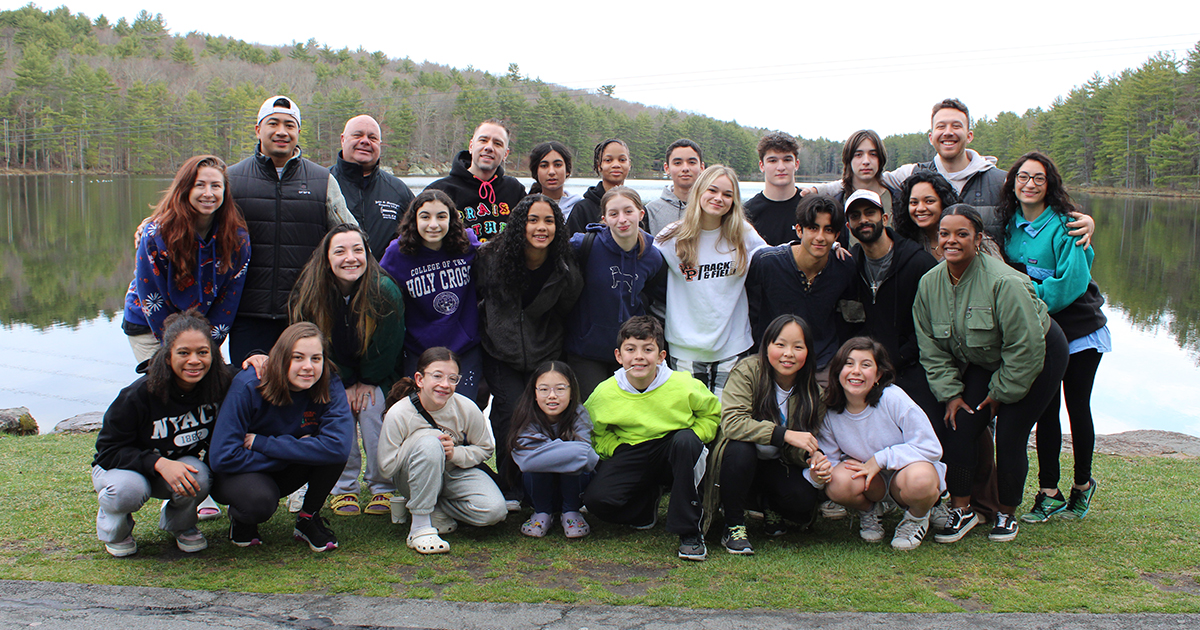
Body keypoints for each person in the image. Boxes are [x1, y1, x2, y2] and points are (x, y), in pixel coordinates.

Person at [913, 205, 1068, 544]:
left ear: (979, 239)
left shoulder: (1005, 282)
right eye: (944, 234)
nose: (951, 241)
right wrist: (951, 393)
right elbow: (931, 348)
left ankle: (1006, 513)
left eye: (962, 234)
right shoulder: (929, 284)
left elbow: (1026, 347)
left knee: (1010, 433)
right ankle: (962, 509)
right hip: (987, 359)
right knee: (959, 424)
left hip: (1039, 354)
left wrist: (1000, 393)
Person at [806, 98, 1095, 243]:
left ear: (969, 134)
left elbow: (1042, 204)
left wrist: (1081, 219)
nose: (948, 132)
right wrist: (813, 190)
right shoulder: (913, 175)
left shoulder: (1000, 179)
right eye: (941, 127)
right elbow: (864, 179)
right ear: (931, 136)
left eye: (956, 126)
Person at [997, 152, 1109, 524]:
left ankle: (1082, 485)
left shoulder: (1067, 225)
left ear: (1050, 185)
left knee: (1077, 406)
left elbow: (1071, 283)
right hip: (1039, 330)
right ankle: (1049, 493)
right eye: (1023, 177)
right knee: (1045, 410)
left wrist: (1023, 300)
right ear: (1013, 182)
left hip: (1079, 328)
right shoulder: (1009, 226)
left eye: (1038, 178)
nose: (1029, 184)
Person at [226, 95, 356, 365]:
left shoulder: (322, 180)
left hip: (306, 312)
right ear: (258, 129)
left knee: (304, 385)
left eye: (289, 125)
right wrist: (152, 225)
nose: (281, 132)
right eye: (273, 123)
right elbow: (196, 221)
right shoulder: (232, 179)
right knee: (250, 384)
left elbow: (351, 236)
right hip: (248, 314)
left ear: (298, 131)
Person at [93, 310, 232, 557]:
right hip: (122, 468)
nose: (194, 360)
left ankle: (181, 525)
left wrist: (256, 358)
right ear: (167, 356)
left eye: (202, 352)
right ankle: (116, 529)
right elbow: (107, 452)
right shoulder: (137, 395)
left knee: (199, 476)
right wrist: (159, 463)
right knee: (128, 491)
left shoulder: (218, 384)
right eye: (183, 353)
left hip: (174, 464)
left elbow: (251, 375)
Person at [289, 224, 405, 518]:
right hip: (330, 375)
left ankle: (382, 485)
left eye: (357, 250)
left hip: (376, 374)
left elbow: (387, 345)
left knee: (372, 408)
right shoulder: (311, 291)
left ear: (367, 254)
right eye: (340, 251)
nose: (350, 258)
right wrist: (345, 381)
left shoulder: (384, 290)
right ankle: (343, 487)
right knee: (337, 410)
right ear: (327, 257)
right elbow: (310, 344)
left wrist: (366, 380)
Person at [582, 316, 720, 562]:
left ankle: (689, 531)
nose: (639, 357)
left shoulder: (683, 384)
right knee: (597, 501)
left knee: (686, 442)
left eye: (648, 349)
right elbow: (594, 431)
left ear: (661, 356)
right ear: (618, 356)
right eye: (630, 349)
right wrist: (616, 448)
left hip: (674, 449)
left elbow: (711, 415)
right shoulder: (604, 393)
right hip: (632, 450)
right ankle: (645, 508)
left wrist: (696, 436)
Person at [476, 194, 583, 506]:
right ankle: (511, 488)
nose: (541, 227)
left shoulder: (564, 266)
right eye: (533, 220)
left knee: (546, 415)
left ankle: (544, 487)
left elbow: (568, 305)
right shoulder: (490, 257)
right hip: (500, 352)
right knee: (509, 414)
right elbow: (478, 295)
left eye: (549, 221)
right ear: (519, 224)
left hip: (545, 352)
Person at [209, 322, 353, 551]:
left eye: (316, 358)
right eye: (298, 357)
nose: (308, 367)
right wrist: (298, 451)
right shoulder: (249, 384)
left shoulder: (328, 382)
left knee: (332, 454)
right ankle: (242, 518)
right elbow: (222, 457)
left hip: (277, 460)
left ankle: (308, 517)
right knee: (259, 502)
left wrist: (262, 443)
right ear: (281, 357)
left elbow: (338, 447)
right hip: (241, 471)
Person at [701, 315, 830, 555]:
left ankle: (769, 504)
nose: (788, 354)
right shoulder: (748, 371)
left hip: (776, 463)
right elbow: (732, 423)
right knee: (741, 450)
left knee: (802, 499)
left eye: (798, 347)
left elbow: (801, 444)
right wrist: (784, 434)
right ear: (767, 345)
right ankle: (734, 525)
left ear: (808, 352)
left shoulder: (814, 393)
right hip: (738, 459)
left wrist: (813, 457)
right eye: (780, 344)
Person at [818, 337, 946, 550]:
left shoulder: (893, 398)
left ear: (878, 375)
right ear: (837, 371)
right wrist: (818, 472)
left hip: (906, 474)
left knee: (921, 480)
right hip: (870, 482)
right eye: (849, 364)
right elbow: (830, 459)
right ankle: (869, 510)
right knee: (836, 481)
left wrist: (880, 459)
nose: (856, 371)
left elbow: (930, 447)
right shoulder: (831, 409)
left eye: (865, 365)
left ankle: (916, 518)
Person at [377, 347, 506, 554]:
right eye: (437, 376)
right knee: (430, 443)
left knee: (494, 511)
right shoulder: (399, 413)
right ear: (420, 379)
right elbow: (386, 467)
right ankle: (420, 526)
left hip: (453, 472)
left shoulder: (465, 407)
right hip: (412, 477)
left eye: (452, 378)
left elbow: (485, 448)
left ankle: (436, 509)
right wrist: (422, 440)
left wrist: (455, 454)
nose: (445, 384)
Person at [122, 155, 250, 364]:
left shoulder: (237, 238)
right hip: (150, 325)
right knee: (166, 380)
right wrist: (178, 346)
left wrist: (206, 344)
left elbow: (230, 297)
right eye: (200, 185)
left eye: (216, 186)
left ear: (225, 192)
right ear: (185, 188)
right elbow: (151, 293)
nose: (208, 193)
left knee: (206, 380)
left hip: (202, 329)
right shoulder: (157, 234)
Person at [656, 165, 767, 396]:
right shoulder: (672, 236)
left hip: (733, 346)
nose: (719, 198)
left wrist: (829, 247)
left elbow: (777, 258)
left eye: (727, 194)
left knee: (728, 414)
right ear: (699, 191)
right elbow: (637, 256)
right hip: (685, 348)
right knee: (692, 414)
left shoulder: (743, 233)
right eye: (712, 190)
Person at [380, 189, 484, 400]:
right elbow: (377, 290)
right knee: (422, 410)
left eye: (441, 217)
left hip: (464, 346)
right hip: (419, 349)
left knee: (463, 410)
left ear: (452, 219)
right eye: (425, 217)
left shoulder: (466, 243)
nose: (433, 224)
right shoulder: (397, 253)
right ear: (414, 219)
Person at [565, 186, 666, 398]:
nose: (622, 219)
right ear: (604, 219)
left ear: (641, 214)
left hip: (630, 350)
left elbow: (654, 293)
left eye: (628, 211)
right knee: (593, 409)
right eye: (613, 214)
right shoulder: (585, 245)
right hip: (586, 349)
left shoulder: (652, 256)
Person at [746, 194, 856, 382]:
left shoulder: (843, 267)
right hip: (772, 362)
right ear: (799, 230)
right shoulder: (767, 263)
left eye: (828, 230)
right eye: (813, 228)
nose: (820, 237)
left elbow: (849, 316)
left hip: (822, 362)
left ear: (837, 235)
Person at [508, 361, 599, 538]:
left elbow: (589, 460)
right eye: (544, 389)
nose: (552, 396)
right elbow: (526, 462)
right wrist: (572, 451)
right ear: (534, 393)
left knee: (572, 465)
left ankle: (571, 511)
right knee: (540, 466)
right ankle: (542, 512)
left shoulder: (579, 414)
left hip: (576, 489)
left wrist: (544, 452)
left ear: (572, 392)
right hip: (536, 491)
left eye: (560, 389)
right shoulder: (526, 416)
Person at [426, 119, 527, 242]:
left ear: (505, 154)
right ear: (471, 146)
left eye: (497, 144)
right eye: (483, 140)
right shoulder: (440, 190)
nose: (489, 147)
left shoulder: (515, 190)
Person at [329, 114, 415, 258]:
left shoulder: (399, 191)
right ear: (343, 139)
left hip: (384, 272)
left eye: (372, 138)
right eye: (357, 135)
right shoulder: (323, 184)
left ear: (380, 144)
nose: (365, 141)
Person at [565, 139, 632, 235]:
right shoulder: (583, 209)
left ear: (629, 164)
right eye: (608, 160)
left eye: (622, 160)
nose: (616, 165)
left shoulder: (635, 207)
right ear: (599, 165)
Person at [893, 170, 962, 259]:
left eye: (929, 201)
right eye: (914, 202)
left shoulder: (965, 238)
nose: (920, 208)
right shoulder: (902, 245)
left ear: (944, 202)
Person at [646, 139, 705, 237]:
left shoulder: (711, 206)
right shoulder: (651, 211)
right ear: (667, 168)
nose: (685, 168)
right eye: (677, 163)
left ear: (702, 167)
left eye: (691, 162)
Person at [834, 130, 902, 212]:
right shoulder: (836, 205)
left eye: (873, 154)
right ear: (849, 160)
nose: (866, 161)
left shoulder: (900, 201)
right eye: (858, 155)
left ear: (880, 159)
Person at [528, 141, 582, 220]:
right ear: (536, 171)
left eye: (557, 165)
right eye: (544, 166)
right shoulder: (527, 207)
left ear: (567, 170)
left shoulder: (580, 207)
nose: (551, 172)